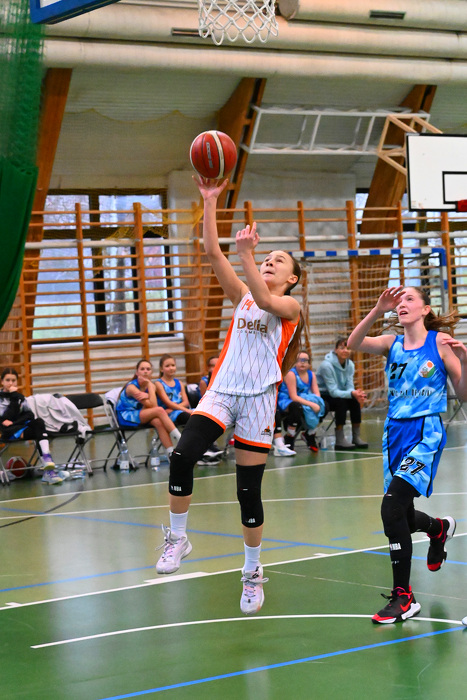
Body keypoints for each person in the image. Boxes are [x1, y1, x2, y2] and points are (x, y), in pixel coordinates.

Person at [156, 175, 303, 615]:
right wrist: (210, 201)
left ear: (292, 278)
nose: (270, 263)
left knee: (247, 492)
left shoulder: (290, 307)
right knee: (182, 456)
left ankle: (252, 572)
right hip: (222, 391)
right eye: (267, 258)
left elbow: (265, 298)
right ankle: (178, 538)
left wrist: (248, 255)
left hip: (258, 400)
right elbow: (211, 252)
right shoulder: (242, 296)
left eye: (278, 261)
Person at [347, 285, 467, 624]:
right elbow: (354, 343)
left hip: (425, 432)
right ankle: (438, 528)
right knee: (401, 514)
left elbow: (464, 394)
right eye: (399, 302)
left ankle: (404, 596)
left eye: (409, 299)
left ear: (425, 309)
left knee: (391, 508)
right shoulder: (392, 343)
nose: (402, 304)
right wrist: (377, 309)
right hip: (394, 433)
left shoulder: (440, 343)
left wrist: (464, 360)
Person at [156, 354, 222, 465]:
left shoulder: (179, 382)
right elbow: (168, 403)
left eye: (173, 365)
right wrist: (185, 409)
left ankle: (209, 447)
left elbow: (186, 402)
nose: (171, 368)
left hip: (179, 410)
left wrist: (181, 408)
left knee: (204, 417)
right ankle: (204, 450)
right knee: (191, 419)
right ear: (161, 369)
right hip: (169, 415)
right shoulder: (159, 384)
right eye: (167, 366)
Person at [0, 368, 62, 484]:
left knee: (39, 422)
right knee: (40, 433)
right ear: (2, 381)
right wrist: (13, 397)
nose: (11, 383)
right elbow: (7, 416)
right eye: (7, 380)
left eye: (13, 380)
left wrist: (15, 422)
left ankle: (47, 459)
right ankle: (49, 471)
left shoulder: (19, 397)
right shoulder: (8, 397)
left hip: (18, 426)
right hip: (9, 432)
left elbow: (29, 414)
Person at [115, 359, 181, 460]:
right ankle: (180, 438)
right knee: (159, 410)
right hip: (127, 415)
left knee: (158, 422)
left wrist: (150, 390)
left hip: (142, 413)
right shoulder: (132, 387)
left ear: (151, 372)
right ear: (137, 372)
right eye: (142, 369)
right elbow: (154, 406)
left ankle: (171, 454)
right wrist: (150, 387)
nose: (145, 371)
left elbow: (152, 405)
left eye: (148, 369)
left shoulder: (151, 386)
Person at [316, 336, 368, 449]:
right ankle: (339, 439)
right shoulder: (326, 366)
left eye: (347, 348)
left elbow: (349, 386)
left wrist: (356, 393)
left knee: (354, 401)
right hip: (323, 395)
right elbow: (333, 391)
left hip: (338, 394)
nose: (345, 351)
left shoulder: (350, 365)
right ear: (336, 350)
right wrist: (351, 393)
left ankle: (356, 436)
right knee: (341, 402)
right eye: (342, 348)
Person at [277, 350, 325, 453]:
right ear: (294, 362)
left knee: (324, 405)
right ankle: (289, 437)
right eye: (299, 360)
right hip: (287, 400)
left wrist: (316, 403)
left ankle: (310, 433)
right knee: (296, 406)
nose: (302, 362)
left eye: (305, 360)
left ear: (309, 363)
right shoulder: (291, 374)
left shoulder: (311, 374)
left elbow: (317, 394)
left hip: (303, 399)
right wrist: (311, 404)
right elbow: (293, 397)